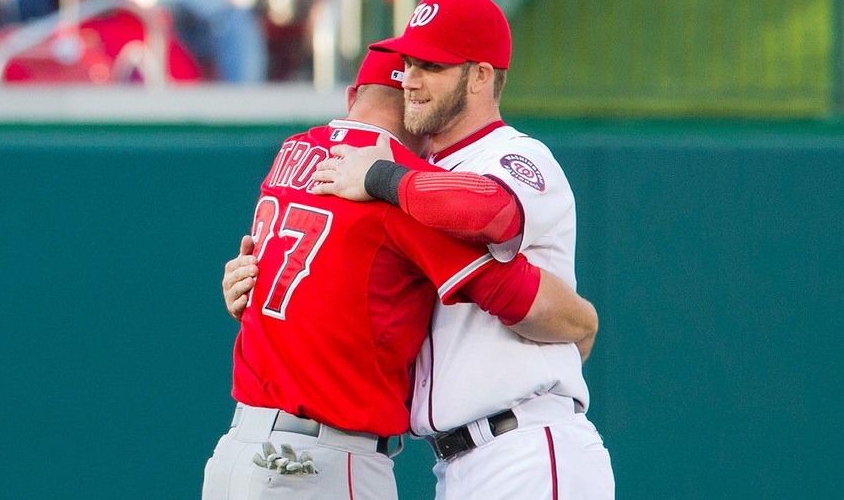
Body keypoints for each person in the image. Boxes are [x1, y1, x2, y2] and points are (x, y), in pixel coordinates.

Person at [202, 50, 598, 500]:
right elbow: (512, 293)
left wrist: (241, 288)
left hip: (237, 453)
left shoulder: (293, 152)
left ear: (353, 95)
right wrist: (584, 322)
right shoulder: (393, 189)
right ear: (416, 115)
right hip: (318, 463)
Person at [310, 0, 617, 498]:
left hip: (527, 447)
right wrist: (251, 278)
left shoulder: (516, 155)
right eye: (409, 62)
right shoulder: (412, 172)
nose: (409, 78)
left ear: (480, 75)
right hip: (456, 465)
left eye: (431, 66)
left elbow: (489, 211)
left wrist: (383, 176)